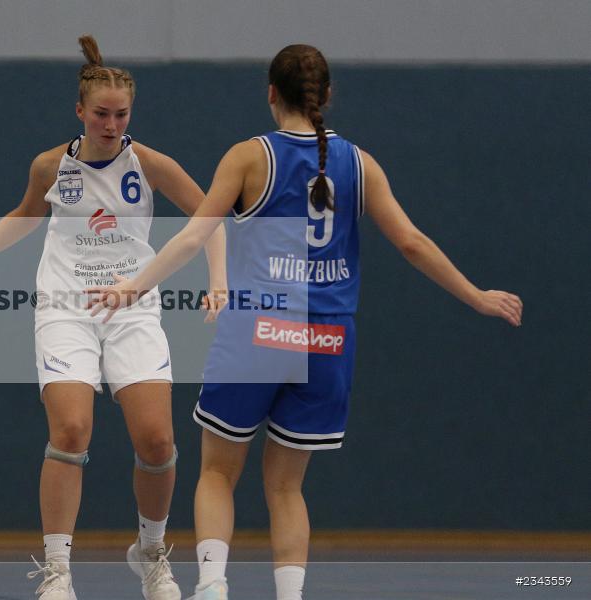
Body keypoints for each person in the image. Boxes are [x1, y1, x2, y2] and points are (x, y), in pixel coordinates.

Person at [86, 44, 523, 600]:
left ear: (270, 92)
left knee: (218, 474)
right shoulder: (360, 164)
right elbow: (412, 243)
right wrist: (476, 295)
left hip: (258, 330)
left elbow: (196, 233)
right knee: (287, 488)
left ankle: (213, 587)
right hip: (328, 339)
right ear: (327, 97)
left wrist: (133, 285)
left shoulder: (249, 157)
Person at [0, 35, 226, 600]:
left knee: (158, 441)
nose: (111, 125)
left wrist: (217, 280)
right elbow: (23, 216)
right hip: (65, 307)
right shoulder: (50, 165)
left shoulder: (150, 164)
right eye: (101, 115)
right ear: (80, 113)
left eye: (121, 114)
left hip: (132, 308)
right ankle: (58, 569)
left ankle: (152, 552)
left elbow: (211, 214)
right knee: (70, 430)